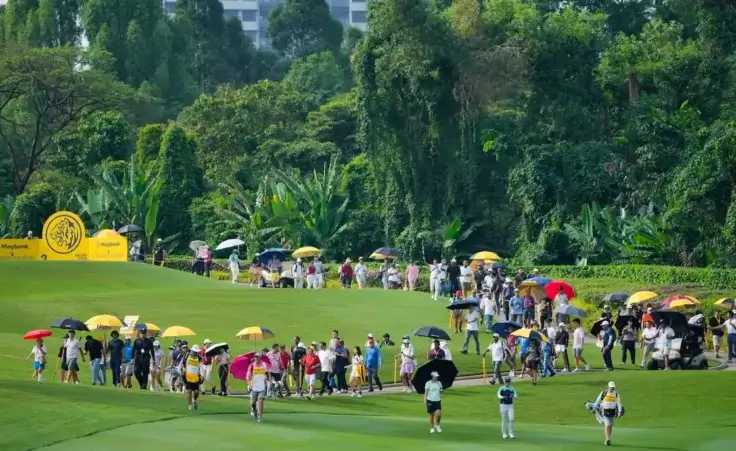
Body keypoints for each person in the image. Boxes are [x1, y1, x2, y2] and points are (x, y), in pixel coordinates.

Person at [593, 381, 623, 446]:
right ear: (608, 387)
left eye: (613, 387)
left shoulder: (616, 394)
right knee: (607, 425)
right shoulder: (604, 393)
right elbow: (598, 400)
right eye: (611, 387)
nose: (612, 389)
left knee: (610, 425)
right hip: (605, 411)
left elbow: (618, 403)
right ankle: (607, 439)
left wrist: (619, 412)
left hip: (613, 411)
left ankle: (608, 439)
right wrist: (594, 407)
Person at [248, 352, 270, 422]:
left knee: (260, 400)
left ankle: (260, 416)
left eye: (258, 357)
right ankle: (254, 410)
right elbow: (248, 377)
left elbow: (266, 373)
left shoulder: (264, 365)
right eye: (255, 357)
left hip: (262, 386)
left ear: (260, 358)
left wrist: (266, 377)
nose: (256, 358)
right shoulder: (251, 366)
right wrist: (250, 384)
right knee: (253, 403)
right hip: (254, 387)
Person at [183, 344, 202, 411]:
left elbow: (200, 366)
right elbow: (183, 363)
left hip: (195, 377)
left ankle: (194, 400)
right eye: (195, 352)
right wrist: (183, 370)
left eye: (197, 352)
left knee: (196, 392)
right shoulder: (187, 355)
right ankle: (190, 405)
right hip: (188, 376)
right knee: (189, 391)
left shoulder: (199, 357)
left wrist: (201, 375)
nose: (196, 353)